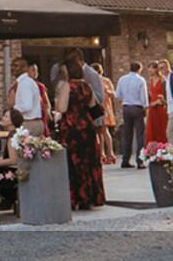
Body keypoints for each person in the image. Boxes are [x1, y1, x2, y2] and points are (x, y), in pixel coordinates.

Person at [55, 59, 105, 210]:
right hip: (87, 126)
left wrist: (57, 102)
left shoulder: (67, 86)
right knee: (88, 162)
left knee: (73, 162)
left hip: (72, 127)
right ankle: (89, 197)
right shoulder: (86, 86)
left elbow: (62, 108)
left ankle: (74, 197)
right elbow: (92, 105)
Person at [114, 62, 149, 169]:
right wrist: (146, 108)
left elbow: (118, 95)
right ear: (139, 69)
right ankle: (140, 160)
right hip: (137, 108)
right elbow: (144, 98)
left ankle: (125, 160)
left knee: (127, 135)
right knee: (140, 134)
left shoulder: (122, 79)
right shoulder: (140, 80)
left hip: (126, 107)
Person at [9, 56, 45, 136]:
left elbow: (27, 106)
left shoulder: (24, 83)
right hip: (32, 123)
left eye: (16, 66)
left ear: (25, 68)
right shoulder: (26, 82)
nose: (13, 68)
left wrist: (12, 111)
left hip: (29, 124)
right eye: (12, 66)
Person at [93, 63, 117, 165]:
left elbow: (113, 94)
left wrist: (108, 92)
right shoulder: (91, 81)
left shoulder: (105, 81)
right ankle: (102, 154)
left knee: (103, 130)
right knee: (98, 132)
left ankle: (109, 154)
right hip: (96, 108)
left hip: (104, 108)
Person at [146, 60, 170, 145]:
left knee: (162, 129)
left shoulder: (163, 80)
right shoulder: (150, 80)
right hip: (152, 109)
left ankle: (164, 149)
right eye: (149, 68)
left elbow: (166, 95)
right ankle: (153, 151)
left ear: (157, 69)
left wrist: (158, 102)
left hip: (161, 107)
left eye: (152, 68)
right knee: (152, 130)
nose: (150, 70)